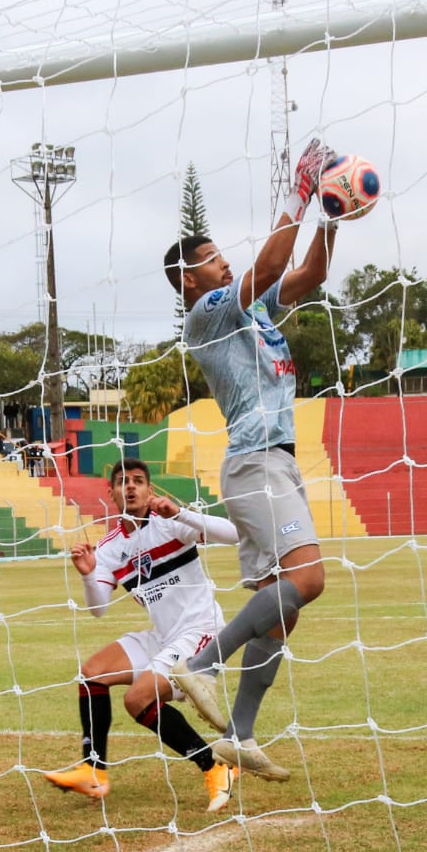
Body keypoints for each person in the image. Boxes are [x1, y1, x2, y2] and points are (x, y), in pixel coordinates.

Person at [165, 137, 341, 782]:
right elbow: (267, 270)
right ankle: (204, 663)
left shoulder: (254, 309)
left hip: (275, 462)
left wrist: (331, 212)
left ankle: (238, 734)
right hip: (255, 461)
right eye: (212, 259)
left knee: (282, 610)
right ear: (190, 278)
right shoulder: (208, 313)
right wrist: (298, 193)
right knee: (311, 581)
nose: (224, 264)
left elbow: (309, 276)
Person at [46, 459, 241, 811]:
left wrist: (180, 513)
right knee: (91, 674)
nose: (131, 487)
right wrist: (89, 575)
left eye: (138, 481)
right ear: (112, 493)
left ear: (150, 490)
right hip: (163, 635)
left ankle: (215, 766)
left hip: (201, 631)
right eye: (123, 481)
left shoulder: (170, 524)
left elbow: (234, 533)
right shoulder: (107, 548)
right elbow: (99, 608)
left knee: (137, 700)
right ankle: (93, 770)